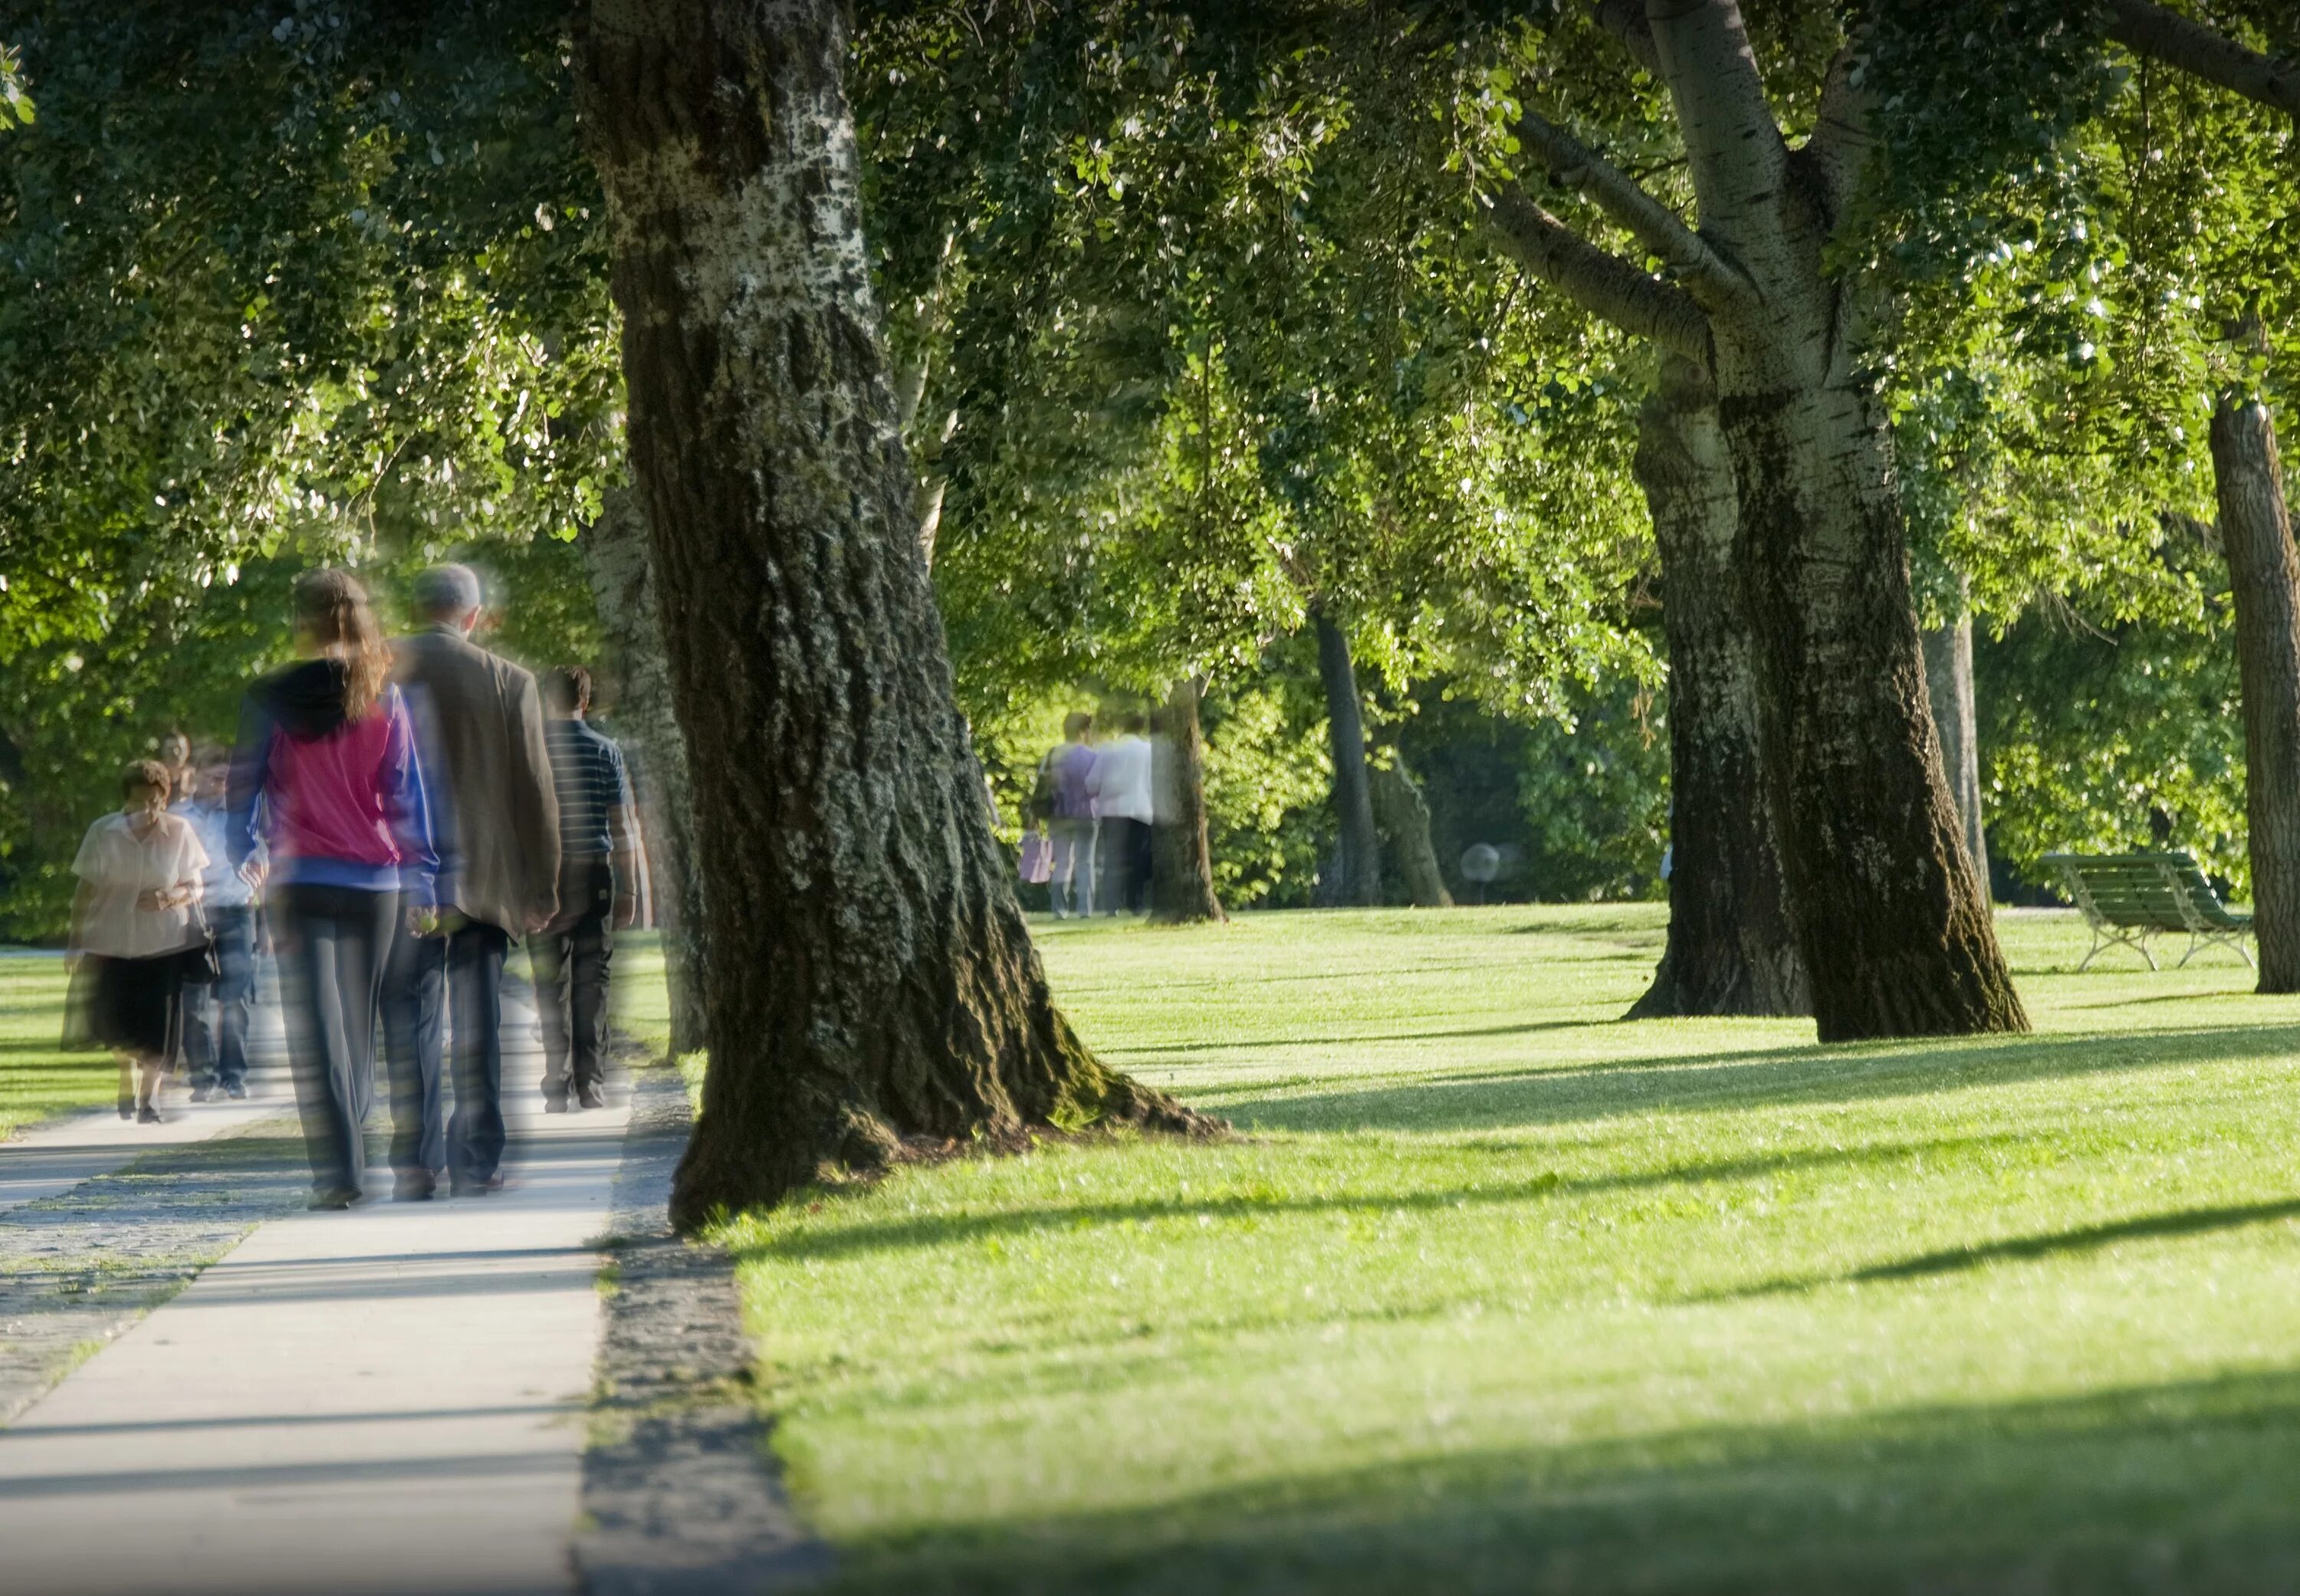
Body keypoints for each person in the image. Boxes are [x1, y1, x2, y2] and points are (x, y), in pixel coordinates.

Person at [231, 569, 435, 1210]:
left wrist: (246, 851)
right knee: (360, 1023)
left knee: (319, 1031)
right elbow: (405, 790)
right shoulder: (385, 693)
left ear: (304, 619)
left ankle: (342, 1174)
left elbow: (244, 787)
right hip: (378, 881)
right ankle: (356, 1155)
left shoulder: (270, 697)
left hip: (302, 879)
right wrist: (423, 874)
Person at [389, 564, 559, 1199]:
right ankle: (477, 1162)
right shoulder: (509, 681)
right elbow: (535, 792)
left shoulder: (382, 669)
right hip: (484, 877)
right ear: (472, 616)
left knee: (413, 1021)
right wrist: (542, 885)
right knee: (479, 1024)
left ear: (417, 606)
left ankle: (414, 1160)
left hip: (404, 877)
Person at [66, 761, 209, 1124]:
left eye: (154, 801)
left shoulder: (180, 832)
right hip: (113, 941)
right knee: (119, 1022)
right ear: (125, 800)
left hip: (164, 944)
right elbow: (85, 889)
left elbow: (196, 886)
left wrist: (168, 898)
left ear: (164, 799)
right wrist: (75, 939)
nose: (147, 809)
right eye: (139, 802)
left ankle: (150, 1098)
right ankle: (126, 1075)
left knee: (158, 1027)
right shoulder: (103, 832)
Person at [536, 666, 642, 1112]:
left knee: (550, 980)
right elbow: (622, 825)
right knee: (593, 980)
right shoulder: (607, 751)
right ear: (586, 700)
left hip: (545, 876)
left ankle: (556, 1083)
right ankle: (590, 1083)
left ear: (546, 700)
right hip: (594, 873)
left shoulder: (533, 750)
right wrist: (629, 890)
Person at [173, 747, 264, 1102]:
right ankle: (202, 1077)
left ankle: (233, 1076)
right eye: (213, 776)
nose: (220, 784)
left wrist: (267, 925)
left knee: (236, 997)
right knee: (192, 998)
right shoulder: (177, 816)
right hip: (190, 914)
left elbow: (262, 868)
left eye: (226, 778)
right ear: (196, 775)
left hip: (235, 910)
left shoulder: (244, 818)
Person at [1087, 709, 1155, 915]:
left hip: (1111, 811)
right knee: (1137, 858)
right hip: (1140, 809)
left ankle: (1111, 905)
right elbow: (1154, 782)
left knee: (1112, 858)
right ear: (1142, 728)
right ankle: (1136, 903)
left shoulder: (1108, 750)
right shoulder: (1149, 750)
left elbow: (1091, 784)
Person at [1036, 712, 1099, 918]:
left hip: (1058, 815)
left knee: (1062, 863)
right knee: (1085, 863)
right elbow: (1097, 787)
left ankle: (1059, 910)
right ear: (1082, 732)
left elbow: (1042, 785)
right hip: (1086, 815)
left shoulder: (1053, 755)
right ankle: (1085, 909)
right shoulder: (1091, 757)